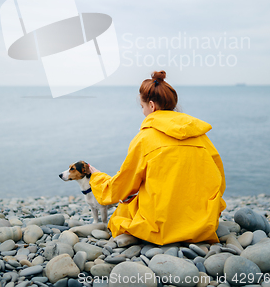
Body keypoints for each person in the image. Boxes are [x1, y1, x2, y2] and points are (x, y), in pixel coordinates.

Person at [89, 70, 226, 245]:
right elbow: (219, 181)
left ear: (152, 106)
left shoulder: (145, 139)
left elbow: (121, 187)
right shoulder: (201, 136)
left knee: (124, 210)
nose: (143, 112)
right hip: (203, 223)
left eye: (142, 107)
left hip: (161, 226)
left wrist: (97, 177)